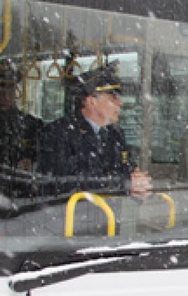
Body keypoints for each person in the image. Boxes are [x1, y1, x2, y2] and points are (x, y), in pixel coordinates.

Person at [38, 61, 151, 197]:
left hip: (108, 215)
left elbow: (129, 171)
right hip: (71, 215)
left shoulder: (115, 134)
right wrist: (122, 184)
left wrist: (139, 185)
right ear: (91, 101)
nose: (120, 103)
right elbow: (63, 183)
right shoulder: (58, 133)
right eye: (112, 97)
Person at [0, 59, 43, 197]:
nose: (6, 95)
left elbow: (44, 160)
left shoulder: (32, 124)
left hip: (24, 196)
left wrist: (33, 164)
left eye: (10, 89)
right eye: (1, 89)